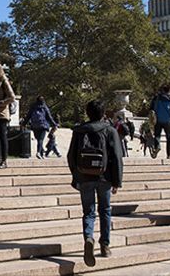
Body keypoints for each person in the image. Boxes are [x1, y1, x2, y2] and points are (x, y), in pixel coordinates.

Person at [67, 100, 124, 267]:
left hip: (84, 177)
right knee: (105, 210)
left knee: (88, 212)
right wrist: (117, 181)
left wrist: (76, 176)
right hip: (104, 177)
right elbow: (117, 157)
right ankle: (105, 245)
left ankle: (88, 237)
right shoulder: (110, 130)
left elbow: (71, 156)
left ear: (87, 113)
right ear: (103, 113)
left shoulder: (78, 131)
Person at [149, 85, 170, 159]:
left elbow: (151, 108)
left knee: (157, 135)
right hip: (167, 120)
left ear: (163, 90)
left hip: (157, 119)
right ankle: (169, 154)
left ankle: (157, 146)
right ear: (169, 90)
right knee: (169, 137)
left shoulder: (156, 98)